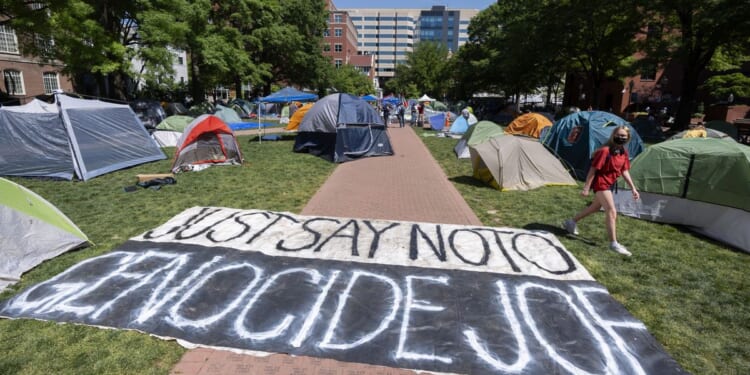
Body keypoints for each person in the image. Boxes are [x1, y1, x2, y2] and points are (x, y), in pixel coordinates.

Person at [562, 125, 640, 256]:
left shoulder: (623, 153)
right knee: (611, 211)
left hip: (610, 184)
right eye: (619, 135)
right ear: (613, 135)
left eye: (623, 136)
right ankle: (613, 244)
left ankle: (571, 222)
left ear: (628, 138)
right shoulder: (604, 151)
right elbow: (593, 170)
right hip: (601, 183)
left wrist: (633, 188)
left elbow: (624, 170)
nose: (621, 138)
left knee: (595, 207)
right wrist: (586, 187)